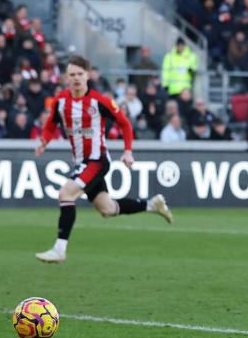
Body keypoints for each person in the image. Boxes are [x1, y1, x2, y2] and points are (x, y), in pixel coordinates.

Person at [34, 56, 173, 264]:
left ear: (88, 75)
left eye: (80, 74)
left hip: (97, 160)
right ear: (66, 77)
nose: (76, 78)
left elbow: (125, 124)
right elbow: (51, 123)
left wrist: (127, 151)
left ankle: (59, 249)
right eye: (72, 75)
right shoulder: (61, 101)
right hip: (81, 162)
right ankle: (152, 205)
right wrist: (45, 139)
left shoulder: (100, 101)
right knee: (107, 209)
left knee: (66, 193)